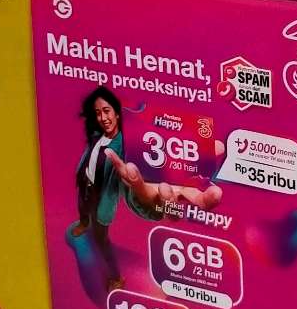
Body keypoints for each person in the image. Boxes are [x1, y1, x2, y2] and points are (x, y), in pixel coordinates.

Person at [68, 85, 221, 290]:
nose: (103, 118)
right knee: (83, 211)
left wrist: (148, 200)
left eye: (106, 111)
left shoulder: (129, 145)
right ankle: (83, 222)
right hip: (85, 186)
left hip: (102, 199)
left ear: (117, 113)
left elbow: (137, 184)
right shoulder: (96, 133)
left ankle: (115, 277)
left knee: (101, 239)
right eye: (98, 113)